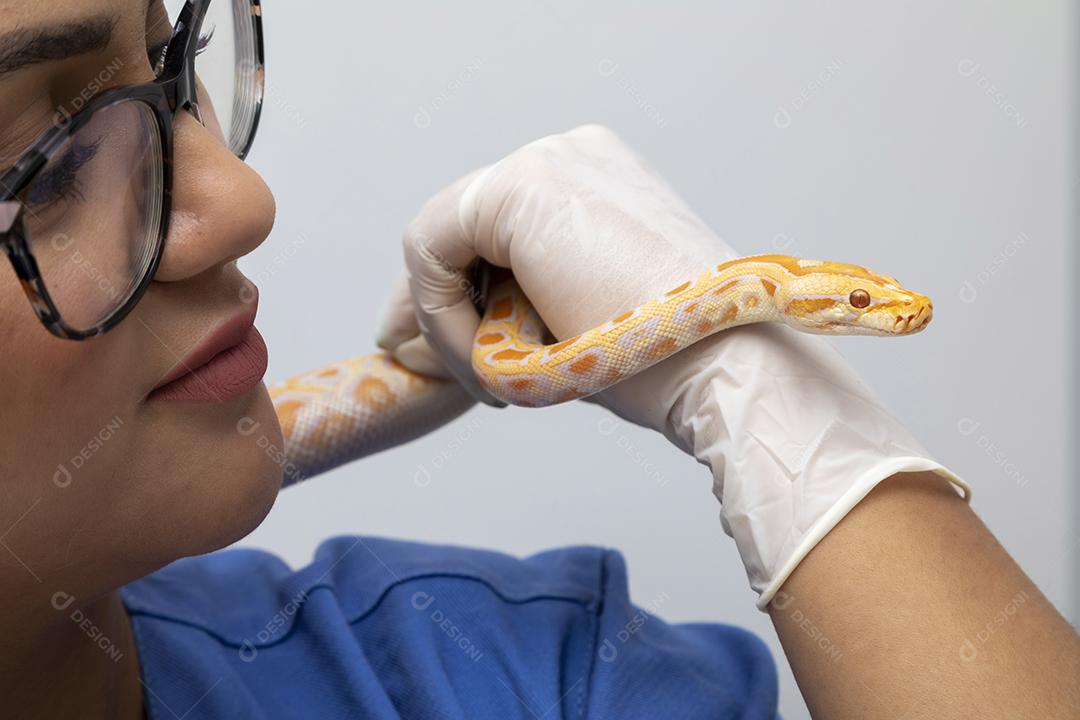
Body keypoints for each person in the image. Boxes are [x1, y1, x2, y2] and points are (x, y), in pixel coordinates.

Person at [0, 1, 1076, 718]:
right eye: (41, 167)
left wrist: (768, 406)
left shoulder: (521, 672)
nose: (243, 198)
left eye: (175, 61)